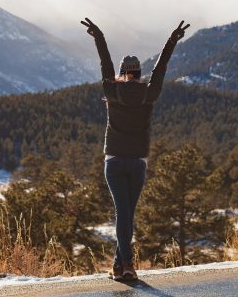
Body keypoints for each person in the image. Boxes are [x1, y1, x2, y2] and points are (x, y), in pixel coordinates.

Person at [80, 17, 190, 281]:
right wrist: (171, 41)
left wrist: (99, 37)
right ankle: (124, 265)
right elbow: (162, 68)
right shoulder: (149, 94)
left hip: (114, 162)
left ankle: (123, 265)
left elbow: (104, 64)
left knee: (124, 214)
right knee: (127, 214)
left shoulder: (111, 91)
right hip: (138, 163)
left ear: (121, 72)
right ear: (140, 74)